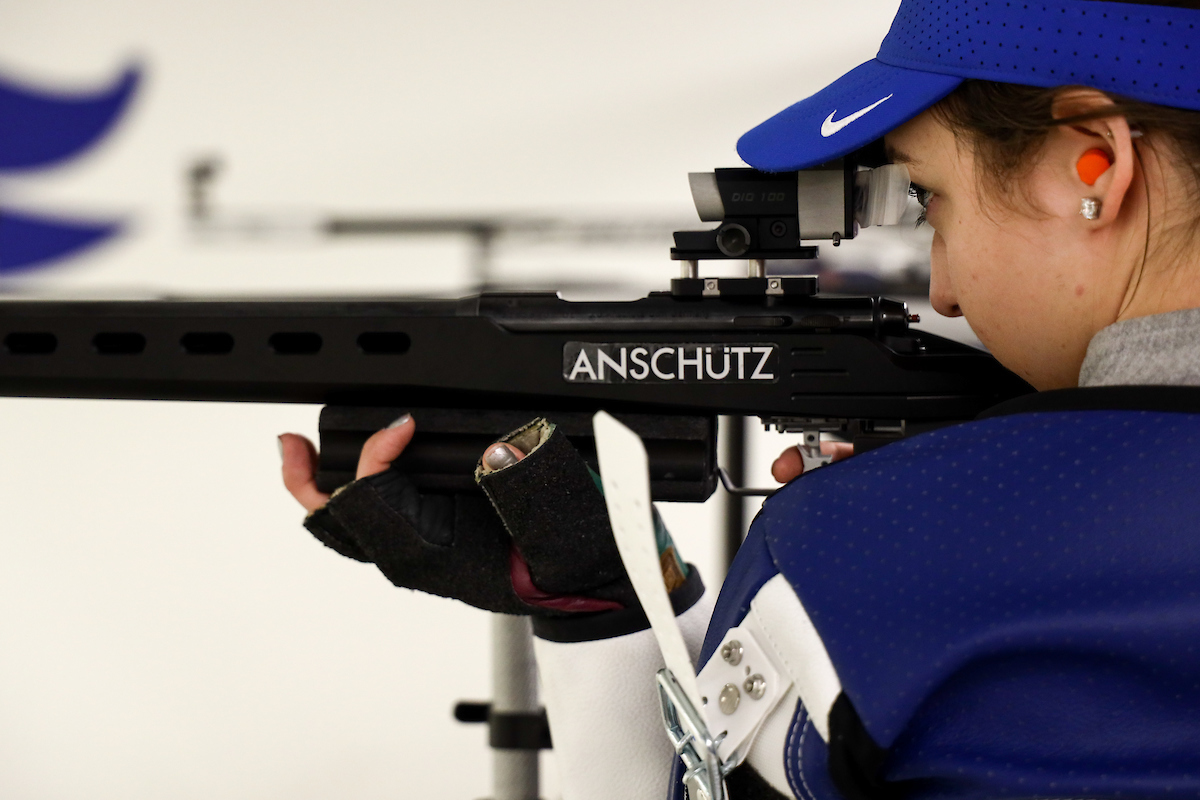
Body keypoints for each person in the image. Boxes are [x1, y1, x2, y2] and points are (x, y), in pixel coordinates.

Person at [279, 0, 1200, 797]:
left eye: (930, 198)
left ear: (1095, 166)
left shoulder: (863, 552)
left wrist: (615, 606)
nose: (945, 289)